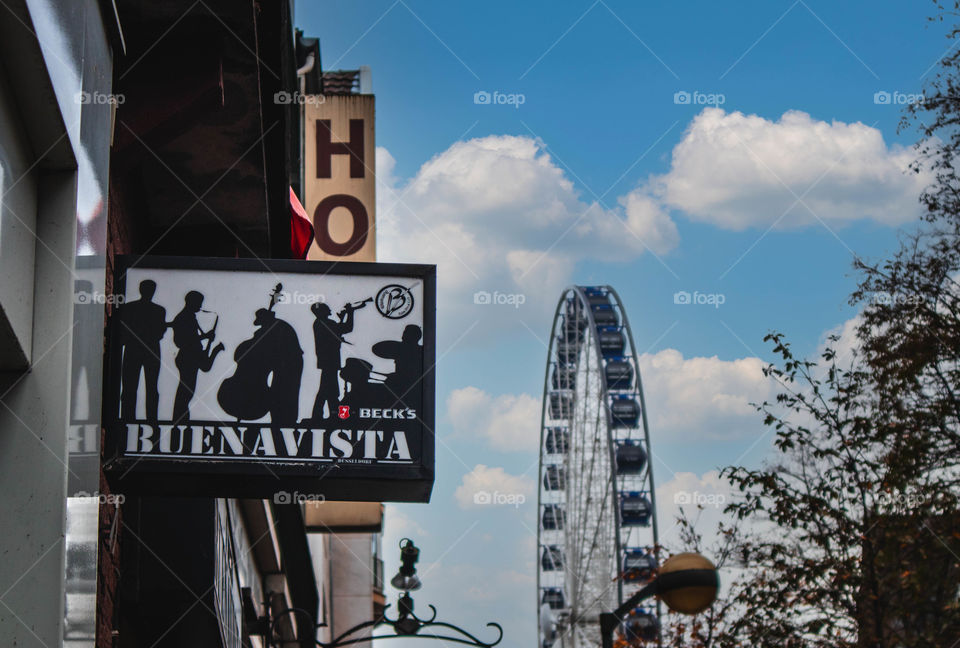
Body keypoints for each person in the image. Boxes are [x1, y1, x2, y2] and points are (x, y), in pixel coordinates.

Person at [119, 279, 168, 420]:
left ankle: (128, 419)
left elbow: (124, 331)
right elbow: (159, 334)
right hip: (150, 350)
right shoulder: (159, 310)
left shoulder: (129, 307)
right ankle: (150, 420)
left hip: (134, 350)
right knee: (148, 387)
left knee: (131, 386)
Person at [171, 291, 223, 422]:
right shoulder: (182, 318)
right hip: (188, 357)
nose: (200, 306)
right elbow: (180, 341)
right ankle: (180, 418)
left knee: (188, 391)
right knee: (186, 391)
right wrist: (205, 337)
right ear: (191, 302)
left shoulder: (190, 317)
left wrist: (204, 337)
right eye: (198, 303)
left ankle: (181, 417)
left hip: (192, 356)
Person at [309, 302, 356, 421]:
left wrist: (343, 318)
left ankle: (331, 415)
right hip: (330, 361)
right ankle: (331, 416)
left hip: (327, 362)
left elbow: (336, 332)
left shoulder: (320, 323)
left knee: (328, 390)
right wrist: (350, 312)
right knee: (330, 390)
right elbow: (347, 328)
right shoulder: (325, 323)